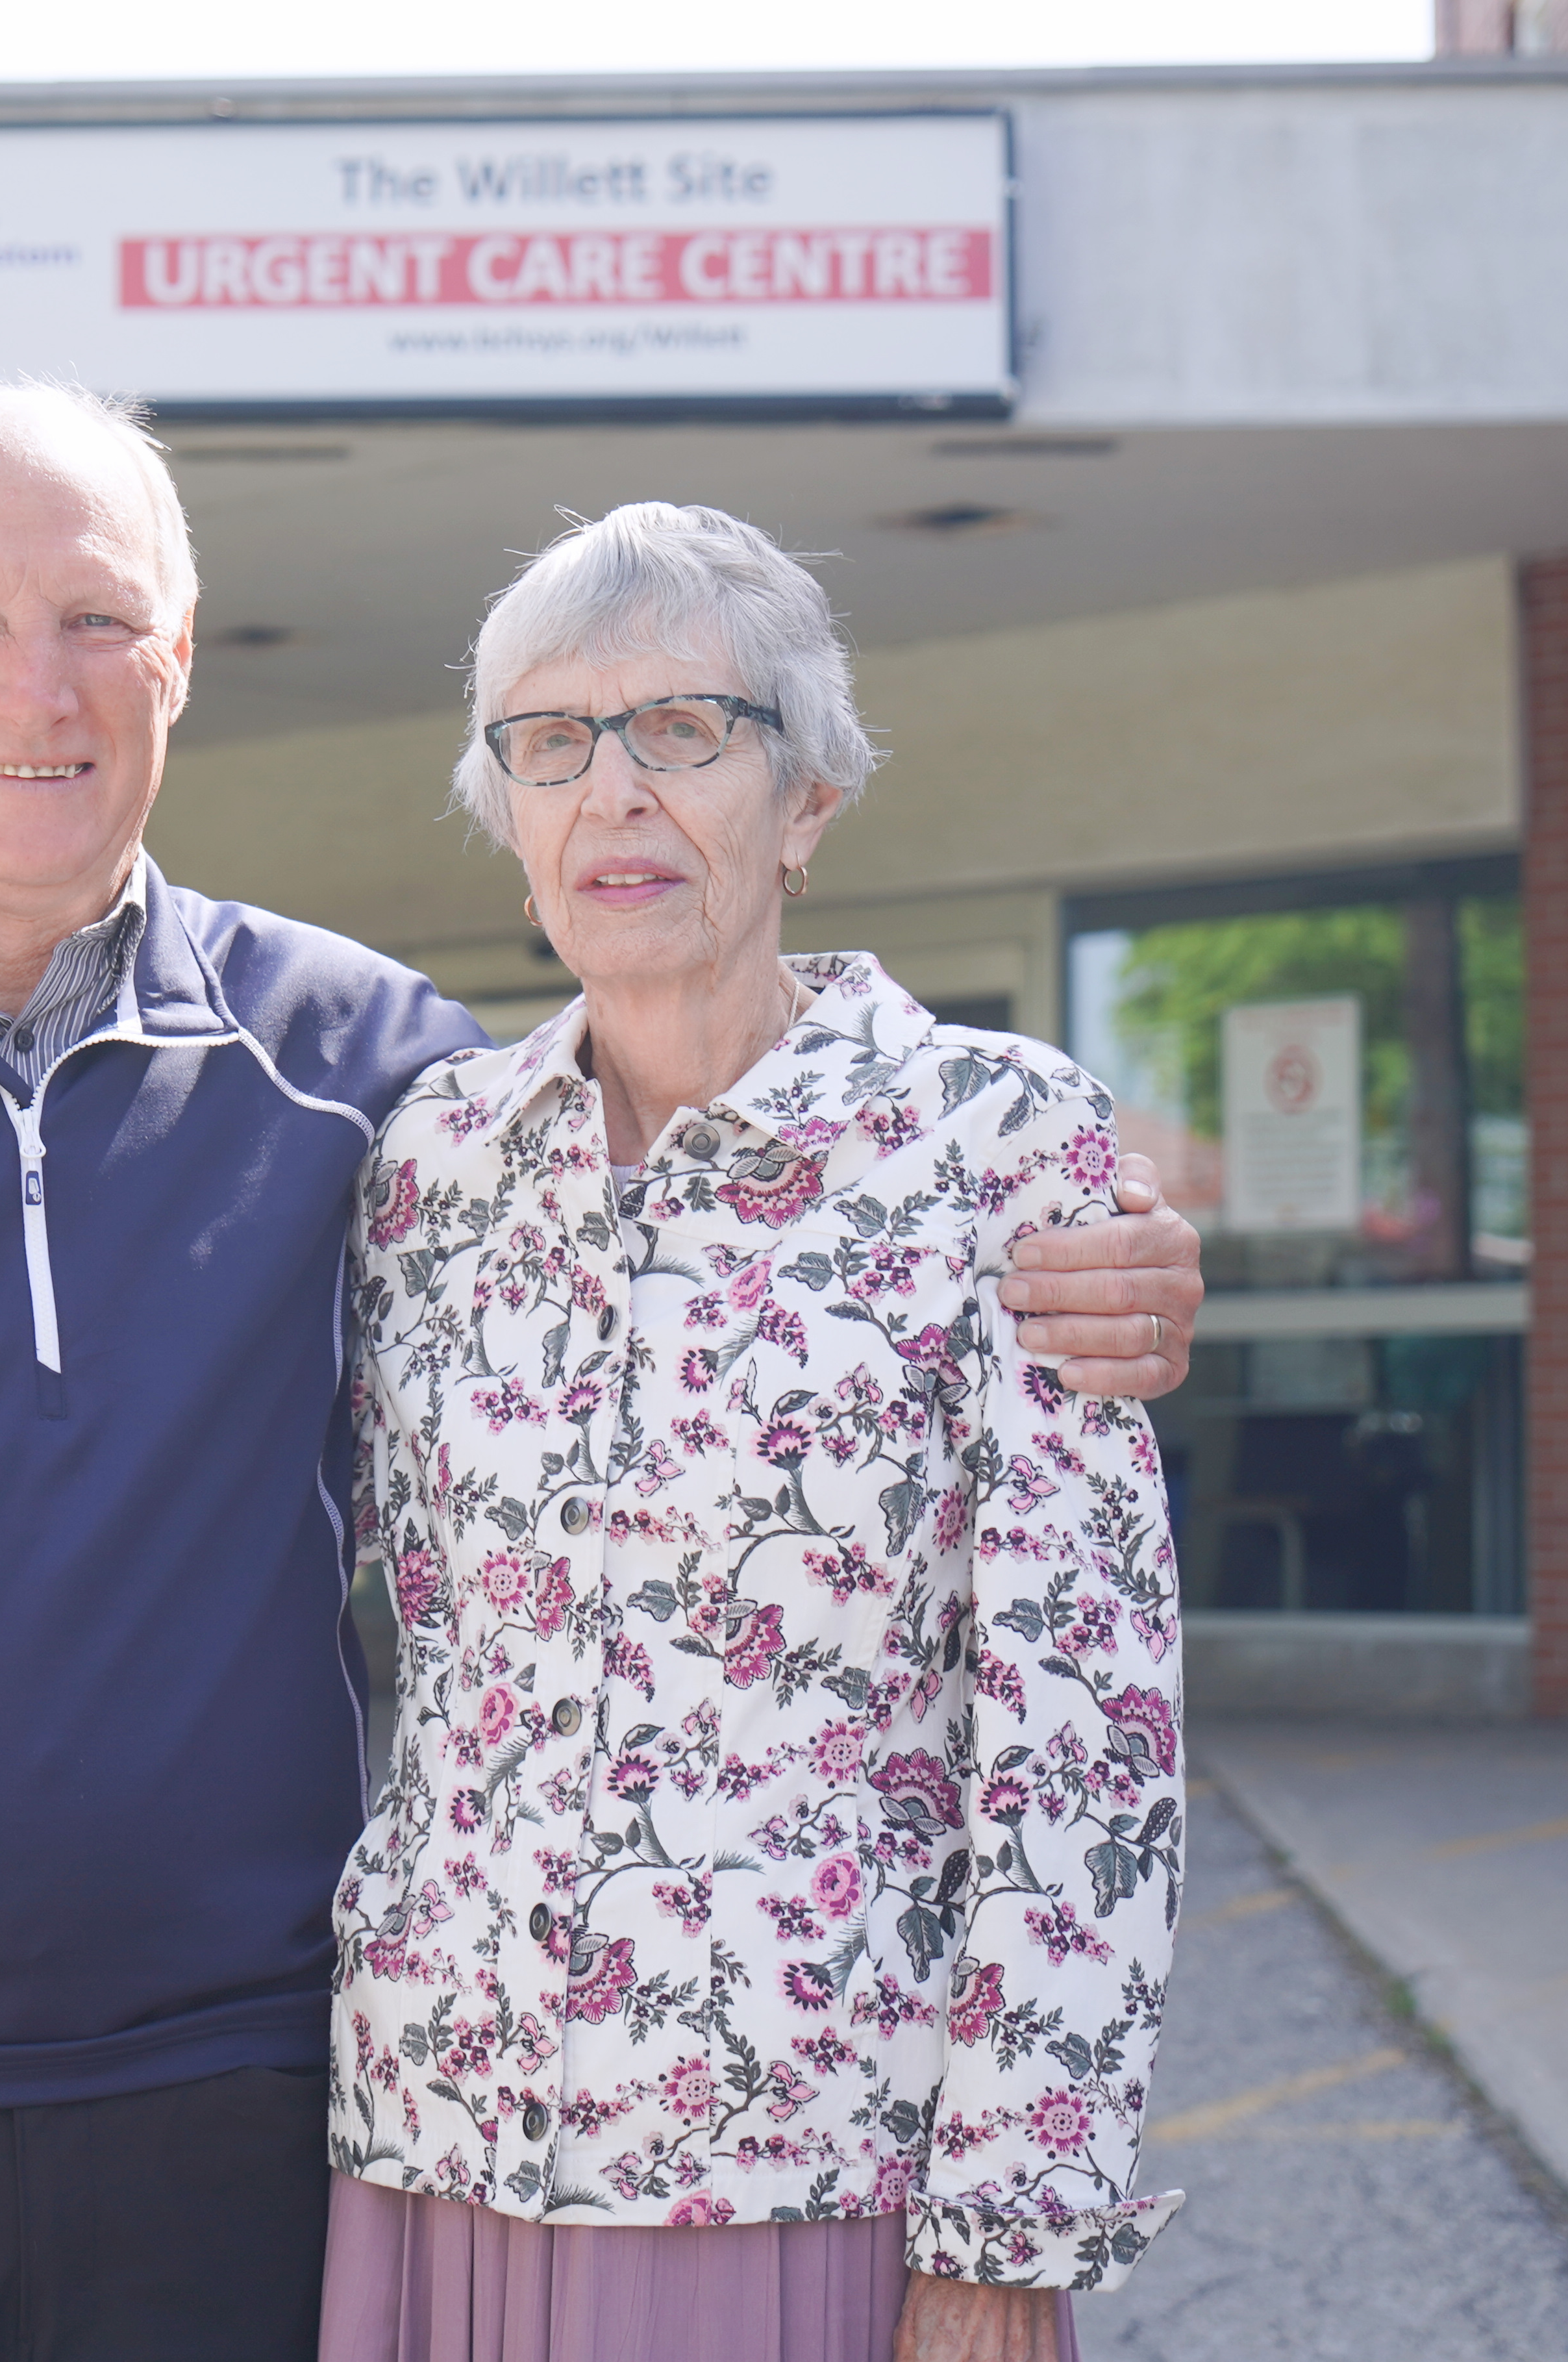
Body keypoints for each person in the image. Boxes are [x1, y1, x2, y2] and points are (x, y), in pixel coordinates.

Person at [0, 381, 1204, 2362]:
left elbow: (705, 1180)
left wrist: (1097, 1284)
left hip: (255, 2126)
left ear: (179, 658)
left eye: (98, 620)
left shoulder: (370, 1076)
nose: (39, 687)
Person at [321, 504, 1186, 2362]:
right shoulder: (433, 1168)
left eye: (686, 731)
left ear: (806, 803)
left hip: (794, 2156)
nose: (612, 794)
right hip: (433, 2138)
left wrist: (1009, 2230)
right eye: (551, 744)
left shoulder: (996, 1148)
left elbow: (1084, 1743)